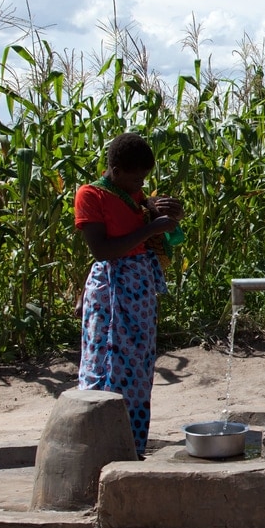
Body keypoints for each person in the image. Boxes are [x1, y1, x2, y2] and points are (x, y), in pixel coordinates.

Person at [74, 133, 186, 458]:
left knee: (137, 365)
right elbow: (102, 250)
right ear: (116, 169)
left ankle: (131, 447)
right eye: (136, 176)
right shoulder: (91, 195)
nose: (141, 183)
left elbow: (149, 221)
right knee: (104, 360)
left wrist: (162, 212)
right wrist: (151, 228)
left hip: (139, 288)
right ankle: (97, 445)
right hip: (111, 287)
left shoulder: (131, 195)